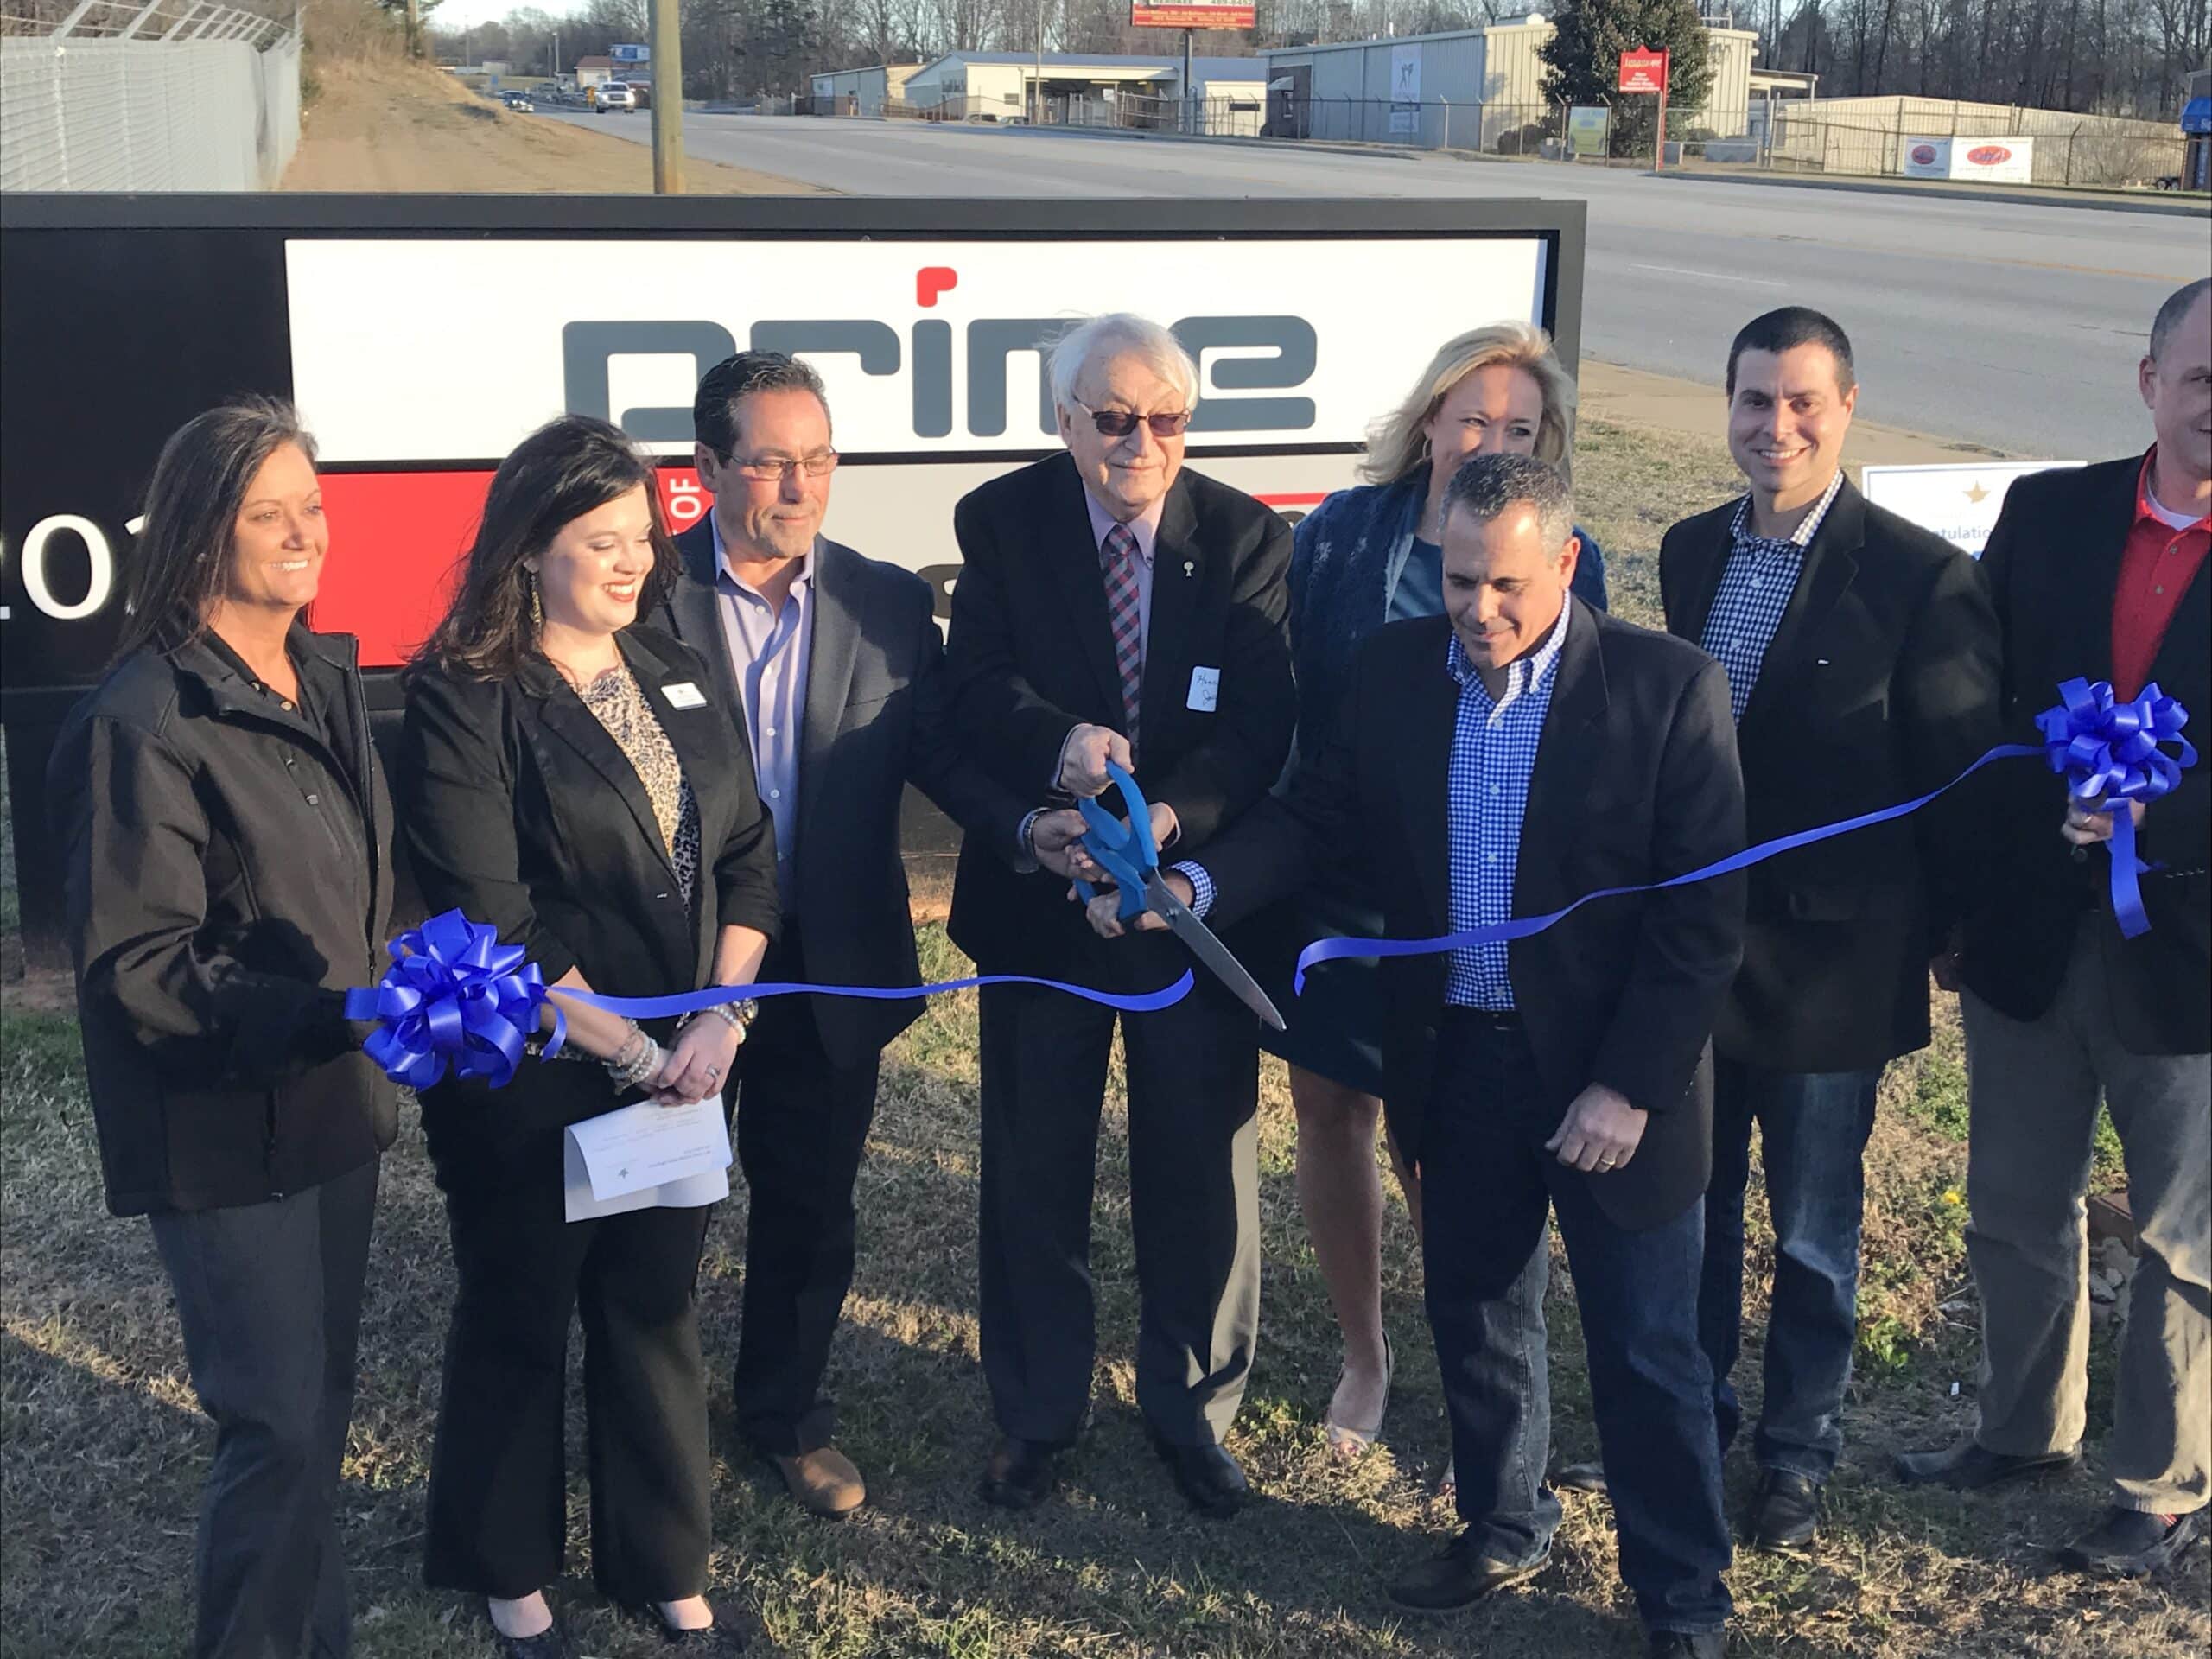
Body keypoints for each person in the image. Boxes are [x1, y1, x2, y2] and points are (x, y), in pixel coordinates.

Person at [1093, 453, 1744, 1658]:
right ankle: (1502, 1522)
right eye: (1458, 582)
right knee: (1478, 1309)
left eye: (1506, 586)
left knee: (1645, 1344)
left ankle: (1683, 1591)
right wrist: (1198, 882)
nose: (1479, 612)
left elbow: (1700, 923)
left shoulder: (1668, 689)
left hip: (1611, 1077)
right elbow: (1319, 813)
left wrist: (1629, 1086)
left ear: (1566, 562)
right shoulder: (1397, 672)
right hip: (1461, 1056)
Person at [398, 416, 778, 1656]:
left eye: (644, 537)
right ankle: (508, 1569)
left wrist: (720, 1019)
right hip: (540, 1071)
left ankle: (663, 1561)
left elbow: (745, 851)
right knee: (522, 1308)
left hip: (684, 1068)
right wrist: (626, 1051)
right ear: (527, 550)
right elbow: (489, 912)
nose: (634, 562)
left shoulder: (677, 664)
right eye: (602, 540)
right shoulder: (464, 695)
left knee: (652, 1306)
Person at [1646, 308, 2000, 1551]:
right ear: (1728, 405)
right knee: (1690, 1207)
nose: (1775, 426)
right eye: (1754, 400)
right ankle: (1693, 1412)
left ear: (1846, 408)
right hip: (1695, 954)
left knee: (1811, 1229)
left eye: (1802, 403)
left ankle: (1797, 1450)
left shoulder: (1918, 576)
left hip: (1834, 965)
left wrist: (1953, 929)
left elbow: (1954, 776)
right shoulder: (1690, 550)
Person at [47, 398, 395, 1659]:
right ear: (201, 536)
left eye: (312, 505)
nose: (304, 533)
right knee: (278, 1427)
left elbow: (354, 898)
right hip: (215, 1125)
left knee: (325, 1411)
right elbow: (139, 967)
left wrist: (398, 987)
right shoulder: (144, 718)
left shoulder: (331, 677)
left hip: (333, 1107)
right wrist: (333, 1010)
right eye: (269, 513)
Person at [657, 351, 1028, 1518]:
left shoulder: (886, 602)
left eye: (818, 460)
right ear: (706, 468)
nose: (799, 486)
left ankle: (784, 1416)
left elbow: (941, 761)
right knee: (663, 1207)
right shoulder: (640, 599)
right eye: (769, 461)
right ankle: (650, 1426)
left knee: (812, 1207)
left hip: (830, 967)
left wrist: (1034, 828)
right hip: (678, 971)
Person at [943, 312, 1296, 1517]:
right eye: (1113, 417)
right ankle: (1038, 1415)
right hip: (1043, 907)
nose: (1142, 441)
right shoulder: (1003, 522)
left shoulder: (1246, 537)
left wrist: (1168, 826)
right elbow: (977, 686)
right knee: (1034, 1171)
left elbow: (1259, 730)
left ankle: (1193, 1412)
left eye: (1167, 419)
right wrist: (1059, 755)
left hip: (1186, 915)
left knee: (1199, 1169)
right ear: (1064, 421)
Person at [1898, 276, 2210, 1578]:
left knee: (2183, 1233)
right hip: (2032, 929)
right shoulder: (2049, 513)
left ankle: (2162, 1482)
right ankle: (2024, 1428)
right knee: (2014, 1203)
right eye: (2199, 375)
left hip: (2192, 956)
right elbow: (1972, 706)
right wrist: (2031, 833)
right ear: (2149, 382)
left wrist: (2157, 819)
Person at [1266, 321, 1611, 1459]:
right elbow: (1304, 707)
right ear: (1429, 422)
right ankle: (1365, 1353)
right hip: (1343, 894)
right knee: (1334, 1117)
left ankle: (1473, 1347)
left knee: (1448, 1139)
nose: (1491, 440)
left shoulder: (1578, 557)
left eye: (1521, 427)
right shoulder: (1339, 536)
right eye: (1475, 418)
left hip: (1476, 897)